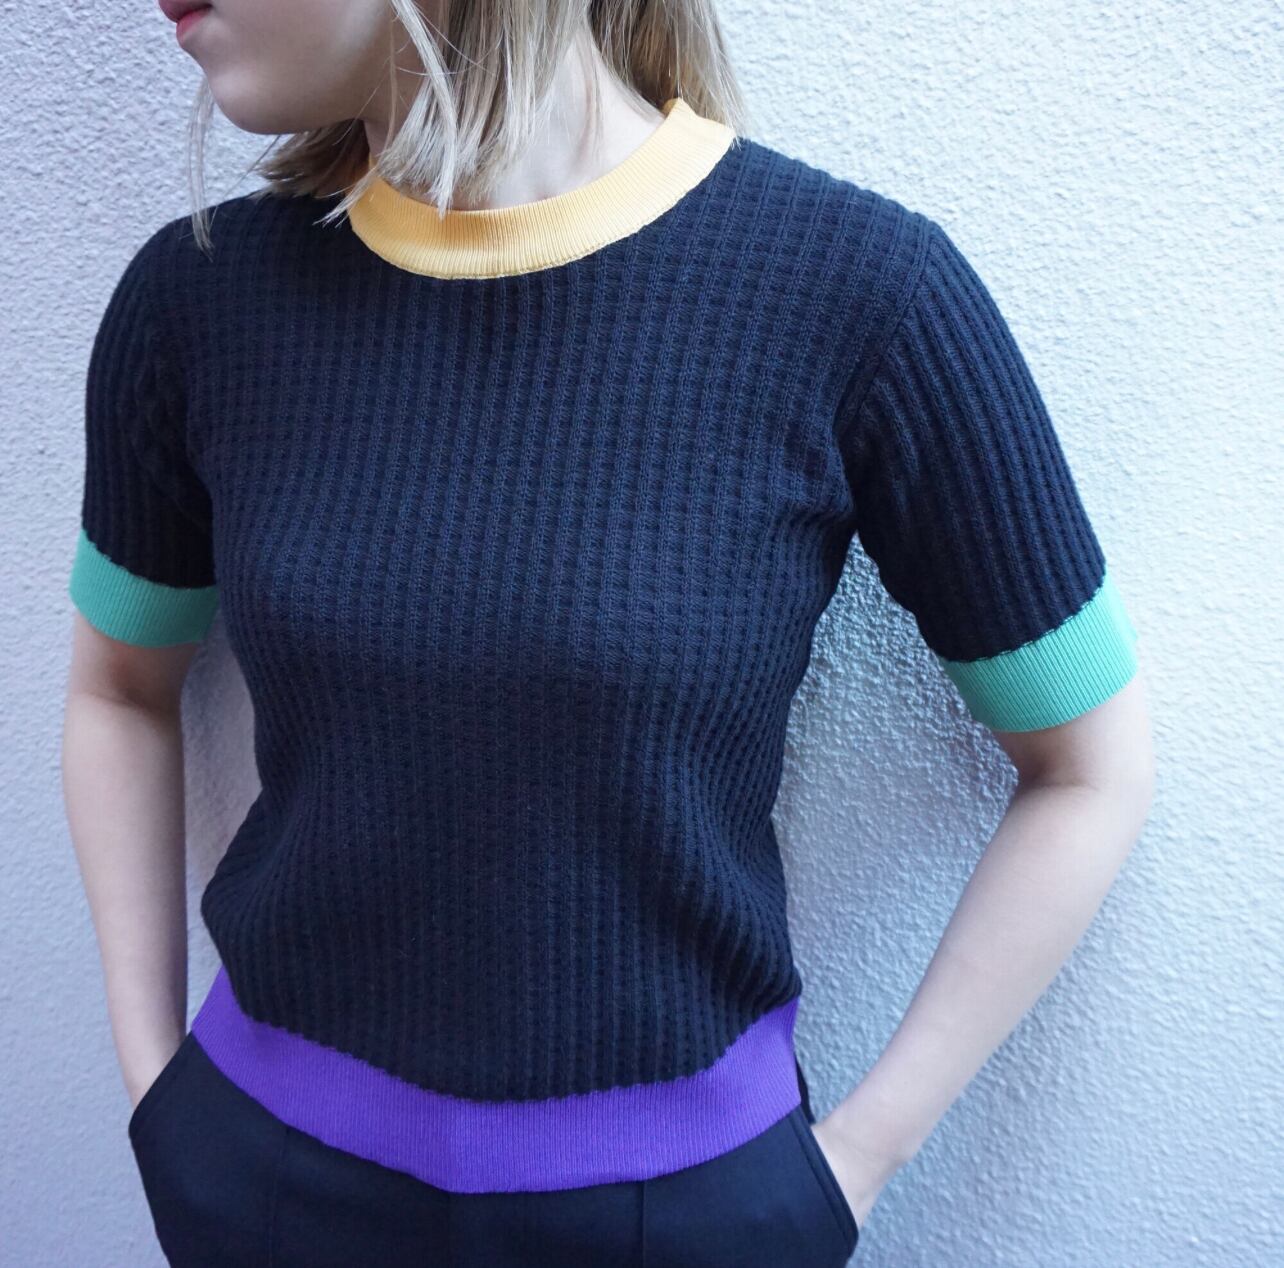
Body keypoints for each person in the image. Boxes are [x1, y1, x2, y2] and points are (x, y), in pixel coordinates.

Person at [61, 1, 1154, 1265]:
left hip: (674, 1216)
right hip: (262, 1185)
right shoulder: (199, 297)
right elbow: (117, 689)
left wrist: (850, 1166)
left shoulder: (860, 296)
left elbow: (1089, 762)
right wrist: (156, 1091)